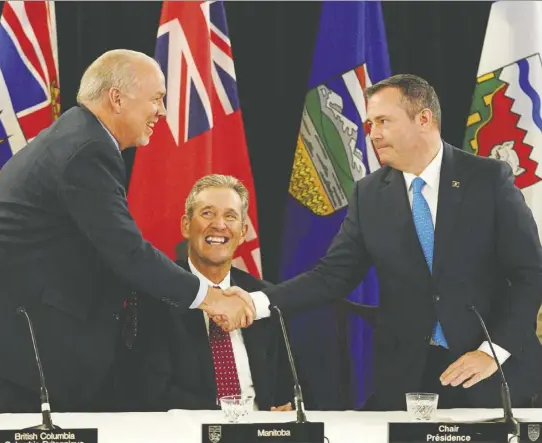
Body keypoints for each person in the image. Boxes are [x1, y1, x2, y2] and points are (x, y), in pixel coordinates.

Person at [0, 50, 252, 414]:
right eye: (156, 98)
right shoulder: (87, 150)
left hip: (6, 343)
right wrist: (212, 298)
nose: (163, 111)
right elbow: (126, 252)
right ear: (117, 98)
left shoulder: (79, 138)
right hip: (1, 352)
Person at [225, 74, 542, 410]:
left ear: (423, 119)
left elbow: (530, 273)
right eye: (369, 123)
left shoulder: (488, 180)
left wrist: (492, 351)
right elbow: (331, 276)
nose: (372, 133)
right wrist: (254, 303)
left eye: (383, 121)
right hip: (410, 378)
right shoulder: (369, 194)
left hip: (492, 371)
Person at [117, 174, 293, 412]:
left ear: (242, 233)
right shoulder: (157, 293)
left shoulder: (261, 297)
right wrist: (228, 421)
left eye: (230, 216)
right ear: (186, 226)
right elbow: (152, 390)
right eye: (207, 213)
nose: (219, 225)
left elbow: (284, 385)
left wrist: (281, 410)